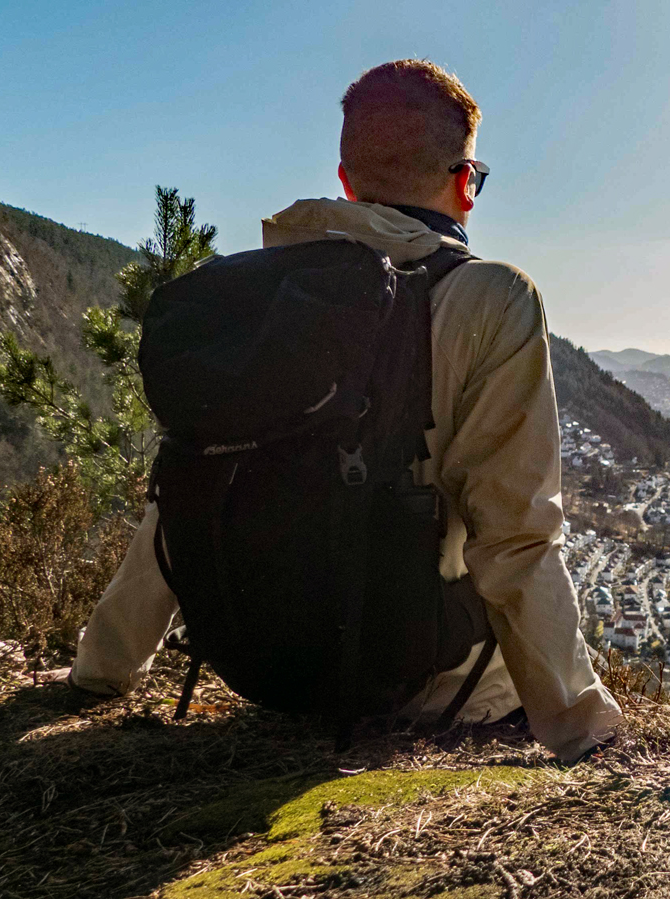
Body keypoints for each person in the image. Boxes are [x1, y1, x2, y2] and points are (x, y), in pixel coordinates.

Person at [60, 59, 622, 763]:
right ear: (464, 184)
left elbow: (179, 496)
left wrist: (100, 671)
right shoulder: (491, 299)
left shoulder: (248, 301)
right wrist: (582, 728)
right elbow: (516, 534)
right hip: (414, 683)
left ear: (347, 181)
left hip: (262, 670)